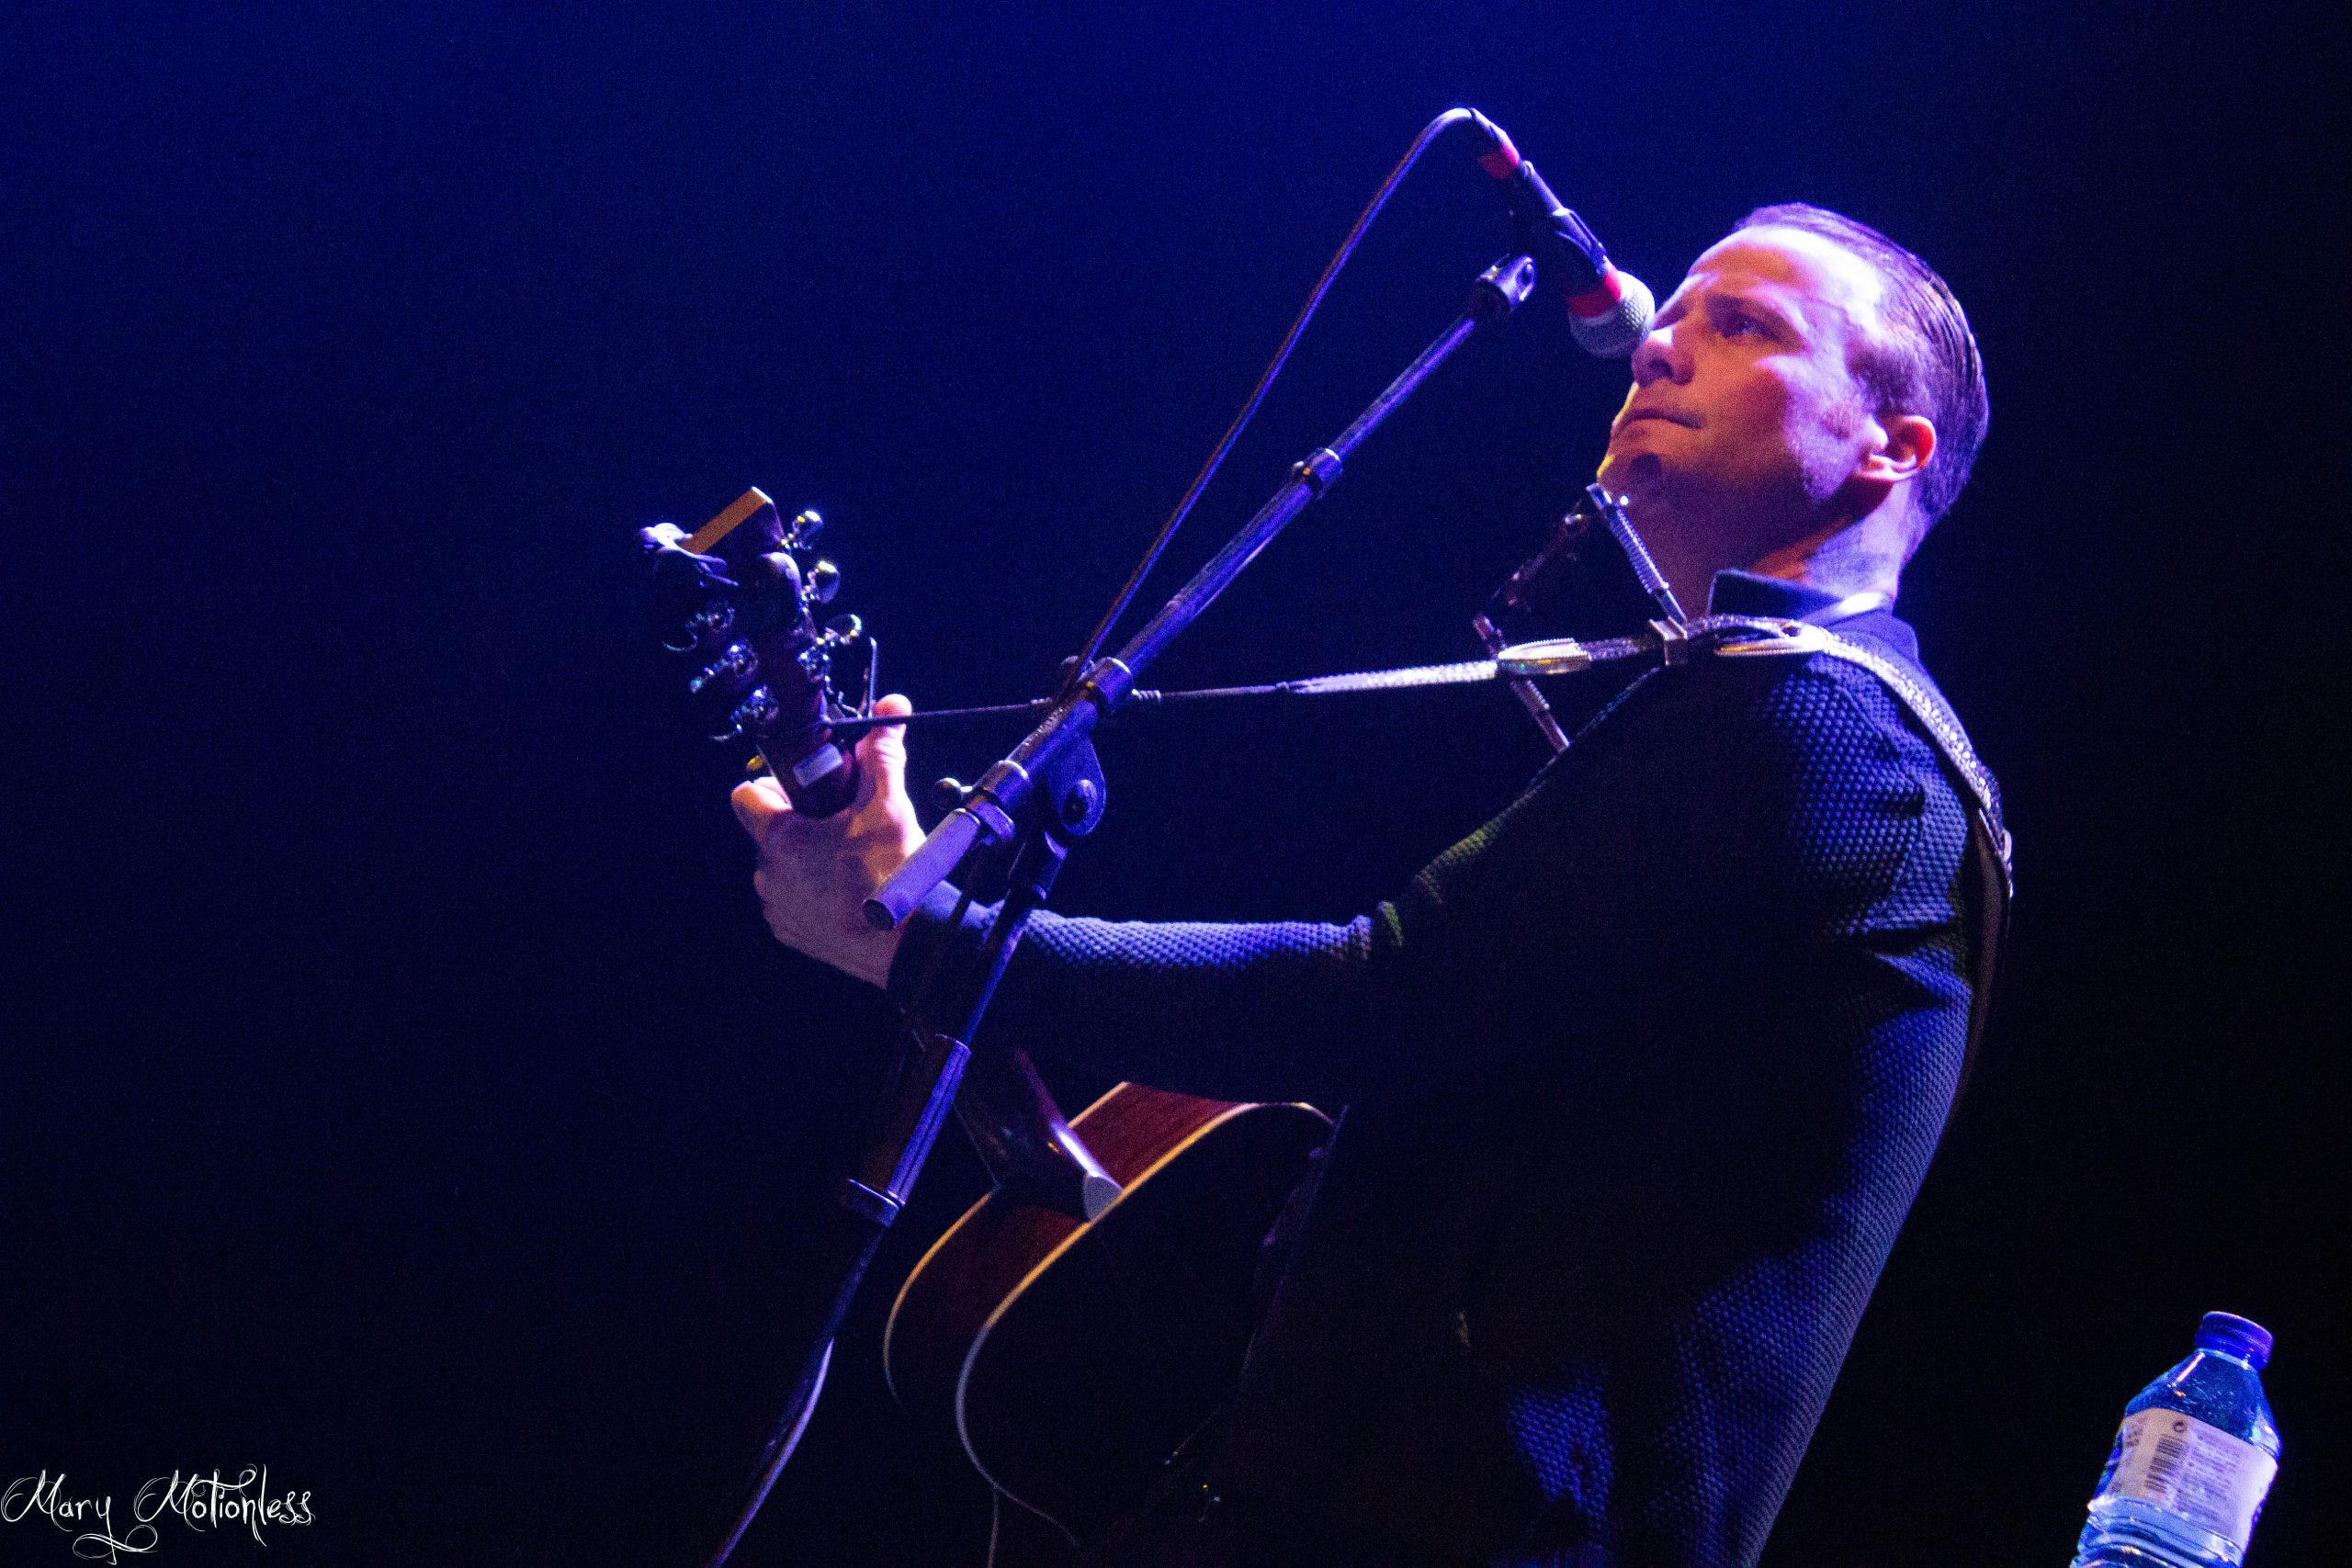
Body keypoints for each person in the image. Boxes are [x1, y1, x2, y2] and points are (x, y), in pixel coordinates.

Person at [730, 204, 2000, 1568]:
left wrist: (927, 944)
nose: (1655, 348)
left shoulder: (1832, 730)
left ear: (1891, 446)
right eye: (1675, 314)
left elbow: (1377, 993)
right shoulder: (1753, 707)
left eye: (1743, 326)